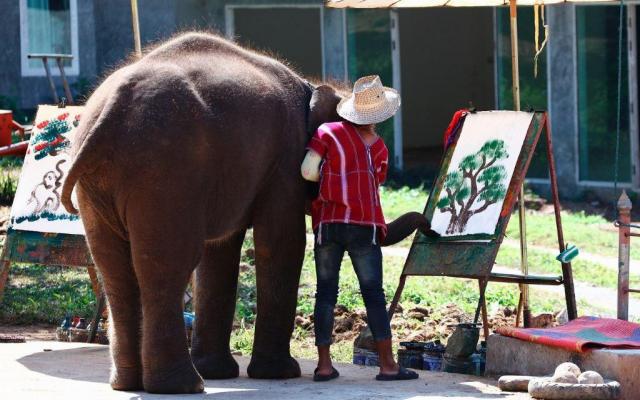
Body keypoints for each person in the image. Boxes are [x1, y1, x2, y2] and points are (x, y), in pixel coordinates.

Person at [301, 75, 419, 382]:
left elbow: (307, 171)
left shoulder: (326, 132)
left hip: (328, 224)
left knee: (325, 293)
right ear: (380, 115)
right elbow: (375, 182)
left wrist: (331, 179)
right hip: (364, 226)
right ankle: (387, 365)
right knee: (373, 294)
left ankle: (324, 366)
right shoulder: (378, 147)